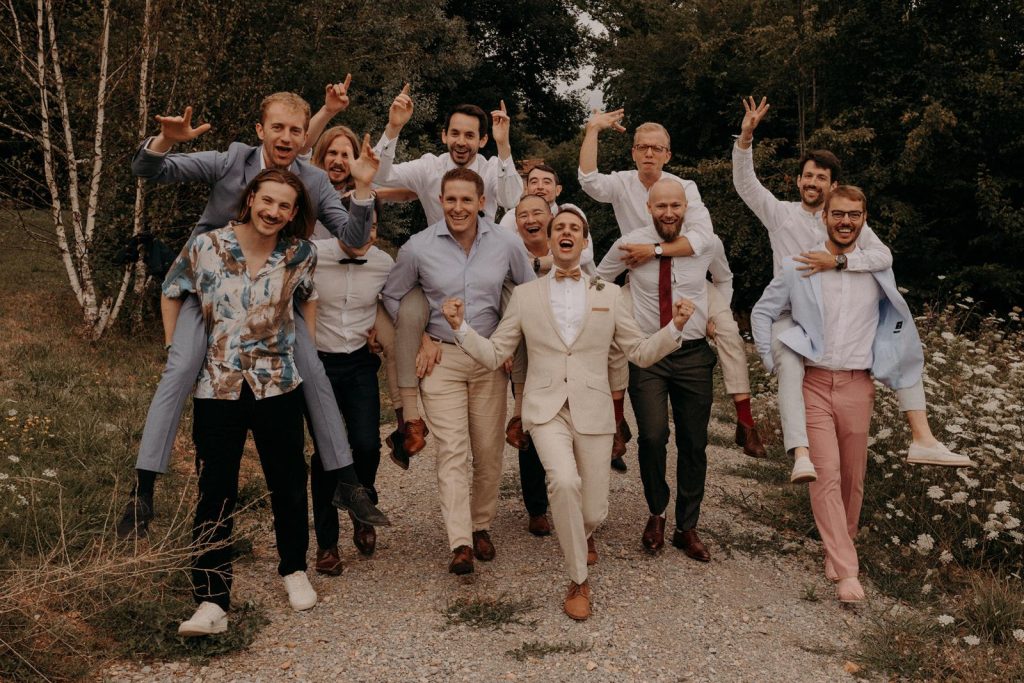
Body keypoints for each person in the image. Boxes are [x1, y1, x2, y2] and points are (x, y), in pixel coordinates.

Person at [116, 93, 389, 540]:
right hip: (212, 286)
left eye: (296, 130)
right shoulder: (230, 160)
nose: (286, 137)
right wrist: (165, 141)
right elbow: (149, 171)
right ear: (261, 130)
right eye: (277, 127)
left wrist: (361, 189)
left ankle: (347, 483)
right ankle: (143, 488)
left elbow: (355, 238)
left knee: (314, 371)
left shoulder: (315, 181)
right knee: (181, 366)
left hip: (277, 290)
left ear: (306, 138)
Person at [442, 206, 693, 620]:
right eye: (560, 227)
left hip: (593, 409)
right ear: (550, 238)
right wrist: (460, 327)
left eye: (574, 228)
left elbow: (639, 352)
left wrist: (676, 328)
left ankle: (583, 535)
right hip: (544, 408)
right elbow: (495, 354)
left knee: (593, 510)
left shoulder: (609, 295)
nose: (566, 232)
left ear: (584, 241)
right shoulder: (525, 296)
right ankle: (578, 579)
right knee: (562, 479)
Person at [734, 96, 973, 477]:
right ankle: (801, 456)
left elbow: (883, 257)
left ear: (832, 186)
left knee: (896, 344)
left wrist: (840, 260)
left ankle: (924, 439)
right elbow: (746, 184)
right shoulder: (780, 215)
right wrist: (746, 136)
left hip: (841, 312)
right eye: (808, 176)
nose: (812, 183)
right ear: (798, 180)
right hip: (794, 315)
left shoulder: (843, 219)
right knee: (788, 358)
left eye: (821, 178)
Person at [750, 185, 939, 602]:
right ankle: (847, 570)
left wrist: (842, 262)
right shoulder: (798, 265)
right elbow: (763, 311)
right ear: (824, 217)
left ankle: (839, 547)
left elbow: (885, 257)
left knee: (853, 480)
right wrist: (772, 358)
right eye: (838, 214)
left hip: (858, 384)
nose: (846, 221)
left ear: (864, 219)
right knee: (826, 476)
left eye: (854, 215)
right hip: (812, 382)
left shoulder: (873, 267)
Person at [168, 169, 318, 635]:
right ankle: (211, 601)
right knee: (216, 491)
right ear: (251, 198)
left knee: (289, 481)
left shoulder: (300, 254)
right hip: (218, 386)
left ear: (294, 214)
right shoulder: (207, 246)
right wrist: (175, 353)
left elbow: (308, 299)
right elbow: (173, 291)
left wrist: (304, 347)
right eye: (266, 201)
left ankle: (294, 569)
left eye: (284, 206)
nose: (273, 212)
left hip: (278, 385)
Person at [579, 110, 766, 460]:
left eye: (657, 148)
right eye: (642, 147)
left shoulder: (685, 187)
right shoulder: (621, 183)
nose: (649, 153)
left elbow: (701, 239)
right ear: (633, 152)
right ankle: (617, 423)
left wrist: (652, 250)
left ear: (668, 154)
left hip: (688, 273)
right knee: (615, 337)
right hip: (639, 279)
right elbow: (588, 179)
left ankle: (746, 421)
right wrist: (593, 129)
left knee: (728, 331)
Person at [381, 168, 535, 575]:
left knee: (487, 451)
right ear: (441, 201)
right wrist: (423, 340)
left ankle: (481, 524)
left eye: (467, 200)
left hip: (490, 358)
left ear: (482, 202)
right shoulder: (418, 247)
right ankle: (460, 541)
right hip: (441, 359)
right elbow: (393, 295)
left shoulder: (506, 244)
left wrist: (508, 340)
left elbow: (529, 292)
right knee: (452, 450)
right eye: (450, 199)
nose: (458, 207)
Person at [369, 89, 526, 461]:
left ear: (482, 139)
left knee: (521, 307)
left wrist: (504, 148)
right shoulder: (428, 166)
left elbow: (512, 197)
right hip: (434, 273)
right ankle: (409, 419)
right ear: (444, 136)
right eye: (455, 133)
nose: (461, 141)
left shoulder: (490, 168)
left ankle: (521, 412)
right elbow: (377, 174)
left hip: (486, 267)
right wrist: (393, 128)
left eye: (470, 135)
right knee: (405, 313)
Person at [596, 179, 717, 561]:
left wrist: (716, 313)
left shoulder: (702, 240)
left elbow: (725, 277)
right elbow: (600, 281)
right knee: (651, 436)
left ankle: (688, 526)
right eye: (661, 205)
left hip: (694, 354)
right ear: (648, 207)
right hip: (648, 353)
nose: (669, 212)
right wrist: (617, 318)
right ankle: (657, 512)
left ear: (686, 207)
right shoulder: (629, 243)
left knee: (694, 442)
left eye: (675, 206)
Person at [308, 212, 393, 575]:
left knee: (367, 444)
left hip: (360, 362)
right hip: (318, 363)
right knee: (327, 452)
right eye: (359, 224)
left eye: (372, 226)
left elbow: (396, 304)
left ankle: (362, 506)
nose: (365, 233)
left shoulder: (384, 263)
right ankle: (327, 545)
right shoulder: (313, 254)